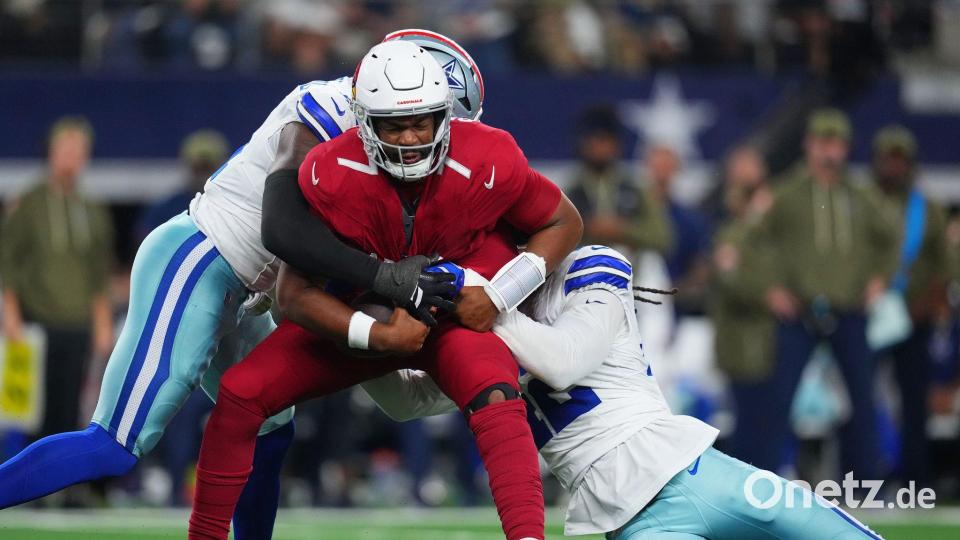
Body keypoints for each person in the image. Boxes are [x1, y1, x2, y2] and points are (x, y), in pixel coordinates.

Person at [0, 29, 484, 540]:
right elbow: (282, 227)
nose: (425, 136)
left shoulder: (391, 148)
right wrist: (384, 279)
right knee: (115, 445)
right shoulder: (326, 107)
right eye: (430, 117)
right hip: (200, 258)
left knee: (271, 425)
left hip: (249, 295)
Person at [188, 40, 583, 540]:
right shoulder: (329, 170)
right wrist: (376, 337)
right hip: (362, 315)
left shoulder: (489, 155)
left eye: (422, 122)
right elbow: (292, 296)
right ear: (364, 124)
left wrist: (503, 292)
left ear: (447, 117)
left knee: (497, 398)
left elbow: (563, 220)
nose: (412, 138)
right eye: (394, 125)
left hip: (453, 315)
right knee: (239, 394)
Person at [360, 244, 885, 539]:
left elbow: (562, 363)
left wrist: (487, 309)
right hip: (627, 520)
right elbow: (407, 402)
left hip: (690, 473)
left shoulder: (586, 271)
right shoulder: (488, 338)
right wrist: (359, 336)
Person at [747, 108, 899, 479]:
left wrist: (881, 278)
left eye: (837, 144)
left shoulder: (861, 195)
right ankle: (769, 480)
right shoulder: (785, 193)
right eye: (822, 143)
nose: (829, 152)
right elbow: (752, 241)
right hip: (798, 311)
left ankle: (865, 484)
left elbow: (889, 240)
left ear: (846, 148)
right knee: (780, 396)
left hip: (849, 310)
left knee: (861, 399)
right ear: (808, 145)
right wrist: (770, 289)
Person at [0, 116, 115, 444]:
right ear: (50, 151)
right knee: (29, 411)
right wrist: (10, 313)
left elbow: (98, 270)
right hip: (35, 320)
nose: (72, 156)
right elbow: (8, 261)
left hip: (78, 322)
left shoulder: (92, 208)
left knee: (72, 408)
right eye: (65, 148)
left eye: (79, 150)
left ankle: (63, 488)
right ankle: (28, 483)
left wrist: (103, 323)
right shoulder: (28, 202)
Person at [870, 125, 948, 487]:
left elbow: (944, 264)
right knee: (861, 398)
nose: (894, 166)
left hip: (915, 317)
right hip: (870, 316)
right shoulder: (862, 202)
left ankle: (917, 480)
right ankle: (863, 475)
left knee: (915, 402)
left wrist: (929, 304)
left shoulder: (926, 208)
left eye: (900, 159)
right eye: (888, 158)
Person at [706, 146, 779, 459]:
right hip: (741, 338)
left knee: (769, 414)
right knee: (749, 415)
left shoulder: (770, 235)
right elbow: (732, 278)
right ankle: (753, 480)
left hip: (770, 336)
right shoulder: (730, 232)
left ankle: (768, 475)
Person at [565, 104, 671, 256]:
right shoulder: (572, 190)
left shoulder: (634, 187)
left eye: (604, 140)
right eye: (593, 140)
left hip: (631, 266)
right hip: (583, 266)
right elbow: (558, 233)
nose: (599, 147)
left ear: (616, 144)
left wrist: (623, 229)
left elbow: (662, 237)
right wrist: (587, 227)